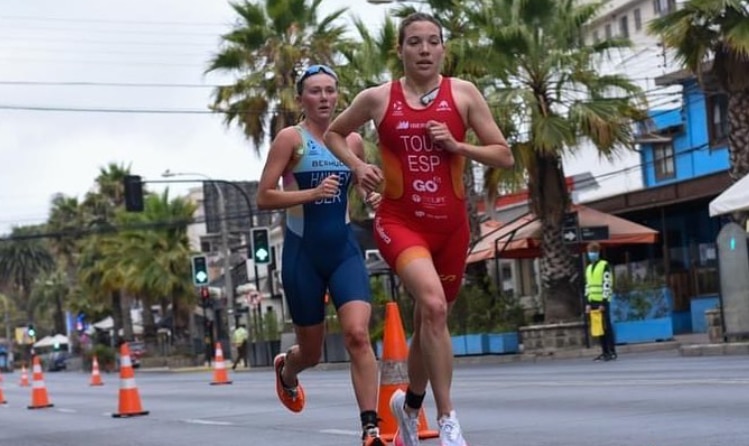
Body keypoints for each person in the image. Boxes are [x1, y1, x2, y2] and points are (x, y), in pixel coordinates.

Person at [324, 12, 514, 446]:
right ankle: (447, 420)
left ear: (443, 48)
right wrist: (357, 165)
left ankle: (408, 406)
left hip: (451, 229)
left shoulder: (463, 94)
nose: (424, 50)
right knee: (434, 305)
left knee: (431, 318)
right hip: (399, 223)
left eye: (432, 42)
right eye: (415, 42)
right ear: (401, 49)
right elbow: (335, 134)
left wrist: (457, 144)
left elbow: (503, 155)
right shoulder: (378, 98)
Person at [255, 63, 386, 446]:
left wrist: (371, 195)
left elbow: (361, 188)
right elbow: (264, 196)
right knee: (311, 352)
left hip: (343, 251)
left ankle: (370, 428)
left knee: (358, 335)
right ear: (301, 99)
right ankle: (288, 369)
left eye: (330, 90)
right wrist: (309, 194)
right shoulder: (289, 140)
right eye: (315, 91)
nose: (325, 97)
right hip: (302, 256)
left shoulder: (353, 141)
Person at [584, 242, 617, 361]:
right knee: (598, 327)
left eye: (593, 252)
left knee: (606, 326)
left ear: (598, 253)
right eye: (589, 252)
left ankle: (612, 351)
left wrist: (604, 302)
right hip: (593, 301)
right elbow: (588, 285)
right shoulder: (588, 268)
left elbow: (607, 283)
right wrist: (587, 302)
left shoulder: (604, 265)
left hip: (602, 301)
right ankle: (604, 351)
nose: (591, 254)